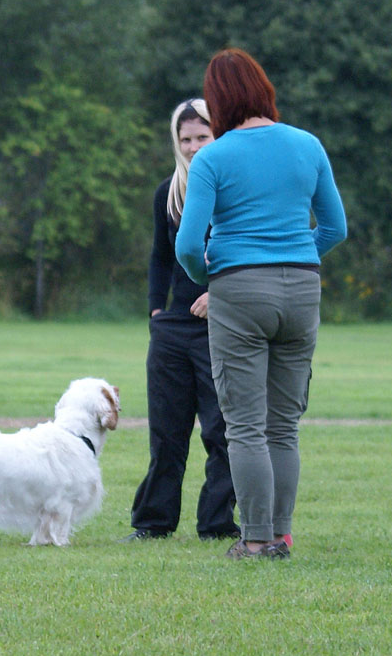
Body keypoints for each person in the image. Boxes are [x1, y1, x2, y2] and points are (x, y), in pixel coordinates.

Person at [175, 49, 347, 560]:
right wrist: (294, 257)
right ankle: (283, 533)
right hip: (302, 290)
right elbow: (335, 228)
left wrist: (217, 277)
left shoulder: (213, 157)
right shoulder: (307, 145)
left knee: (245, 425)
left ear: (220, 101)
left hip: (240, 292)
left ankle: (255, 539)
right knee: (283, 424)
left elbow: (187, 244)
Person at [120, 98, 239, 542]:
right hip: (172, 328)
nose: (192, 147)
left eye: (201, 137)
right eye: (185, 139)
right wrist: (156, 311)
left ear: (219, 135)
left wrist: (218, 294)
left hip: (220, 325)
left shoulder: (234, 190)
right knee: (166, 434)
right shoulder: (167, 192)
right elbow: (159, 257)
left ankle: (216, 524)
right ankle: (152, 523)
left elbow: (243, 253)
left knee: (220, 430)